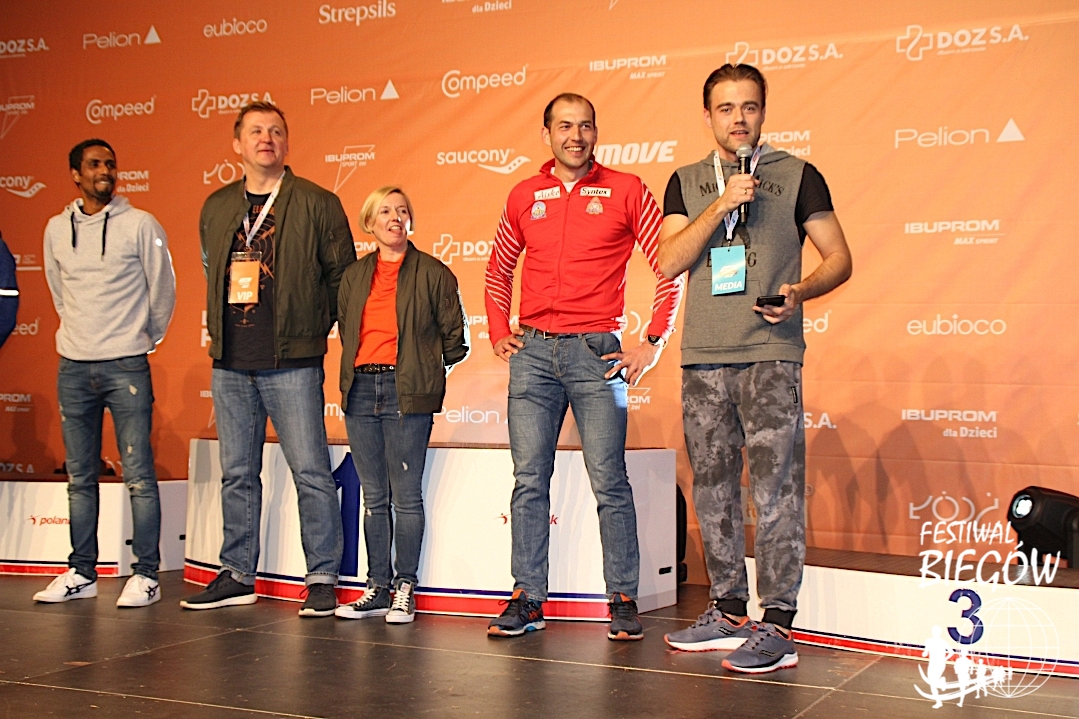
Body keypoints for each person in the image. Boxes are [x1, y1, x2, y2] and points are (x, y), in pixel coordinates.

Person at [658, 64, 852, 673]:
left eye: (749, 107)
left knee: (776, 491)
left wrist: (800, 291)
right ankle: (727, 609)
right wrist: (720, 204)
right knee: (713, 488)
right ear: (708, 115)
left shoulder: (797, 175)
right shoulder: (687, 182)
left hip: (770, 355)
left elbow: (839, 258)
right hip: (703, 358)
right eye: (725, 108)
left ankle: (778, 624)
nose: (738, 119)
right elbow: (669, 259)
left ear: (763, 111)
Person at [484, 93, 684, 641]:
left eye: (586, 126)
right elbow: (498, 269)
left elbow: (671, 265)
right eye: (565, 126)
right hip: (533, 356)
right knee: (529, 481)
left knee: (609, 481)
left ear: (597, 132)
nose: (576, 136)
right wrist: (499, 330)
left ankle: (622, 598)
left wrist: (652, 341)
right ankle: (528, 598)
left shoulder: (627, 189)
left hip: (597, 355)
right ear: (546, 133)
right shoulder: (524, 194)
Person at [182, 101, 355, 616]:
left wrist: (311, 326)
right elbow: (212, 268)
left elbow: (343, 280)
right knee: (237, 473)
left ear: (286, 142)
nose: (267, 138)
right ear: (237, 144)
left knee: (311, 472)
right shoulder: (217, 206)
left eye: (276, 131)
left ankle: (321, 577)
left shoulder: (318, 202)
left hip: (293, 361)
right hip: (230, 360)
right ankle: (237, 574)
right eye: (256, 131)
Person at [36, 139, 176, 607]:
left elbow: (163, 289)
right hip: (73, 366)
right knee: (80, 476)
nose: (105, 171)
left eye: (111, 164)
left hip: (126, 364)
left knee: (138, 474)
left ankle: (146, 574)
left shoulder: (140, 224)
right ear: (75, 174)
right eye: (95, 164)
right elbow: (59, 293)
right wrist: (82, 336)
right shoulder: (56, 229)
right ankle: (82, 571)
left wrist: (142, 339)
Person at [333, 187, 468, 624]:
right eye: (385, 211)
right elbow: (347, 330)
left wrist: (421, 368)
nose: (395, 218)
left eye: (403, 211)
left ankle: (404, 587)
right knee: (374, 498)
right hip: (359, 390)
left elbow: (455, 339)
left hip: (406, 392)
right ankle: (377, 587)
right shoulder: (354, 276)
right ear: (369, 222)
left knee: (406, 497)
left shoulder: (433, 272)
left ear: (410, 221)